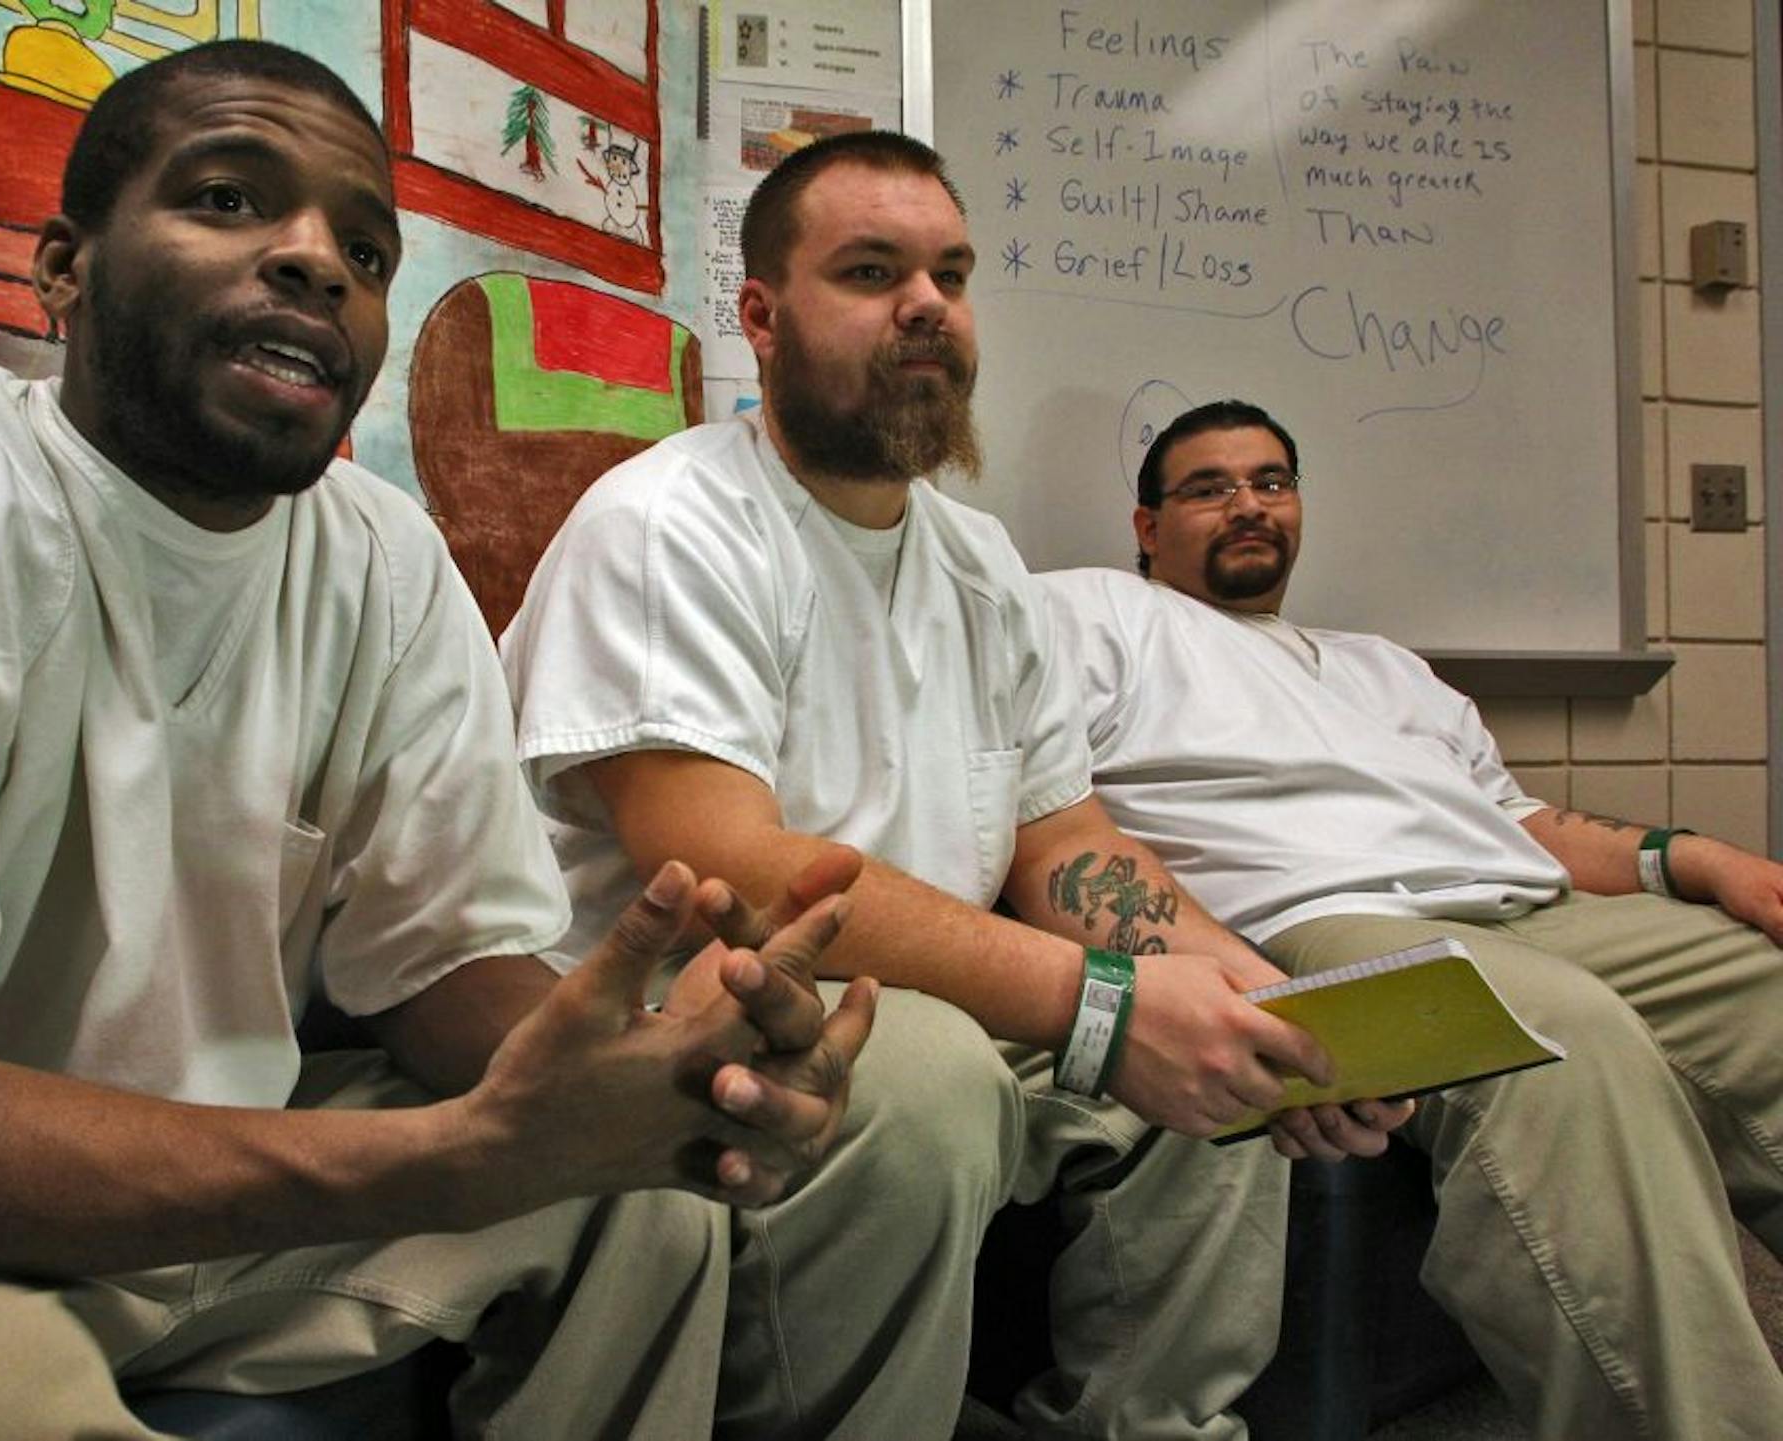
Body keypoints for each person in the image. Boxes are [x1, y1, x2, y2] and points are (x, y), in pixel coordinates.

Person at [0, 39, 960, 1440]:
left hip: (231, 1207)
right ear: (66, 266)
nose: (317, 263)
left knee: (645, 1217)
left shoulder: (379, 556)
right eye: (224, 198)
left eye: (368, 254)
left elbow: (446, 969)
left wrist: (651, 1079)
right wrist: (441, 1161)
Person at [500, 131, 1407, 1440]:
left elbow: (1067, 845)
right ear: (760, 315)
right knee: (929, 1072)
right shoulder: (670, 523)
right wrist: (1100, 1010)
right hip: (699, 1023)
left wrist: (1264, 994)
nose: (926, 304)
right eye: (871, 271)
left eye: (950, 273)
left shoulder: (983, 566)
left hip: (940, 1006)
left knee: (1210, 1046)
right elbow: (729, 876)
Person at [1042, 397, 1783, 1437]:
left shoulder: (1383, 664)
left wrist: (1691, 859)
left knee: (1764, 988)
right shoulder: (1087, 614)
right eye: (1208, 488)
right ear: (1146, 526)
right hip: (1317, 919)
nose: (1248, 505)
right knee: (1562, 1038)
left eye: (1271, 482)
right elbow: (1038, 802)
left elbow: (1523, 820)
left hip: (1519, 896)